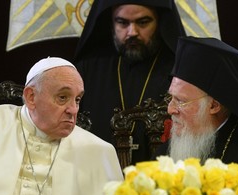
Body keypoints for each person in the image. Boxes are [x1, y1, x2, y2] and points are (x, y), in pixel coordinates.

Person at [154, 36, 238, 195]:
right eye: (170, 98)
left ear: (214, 105)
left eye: (180, 101)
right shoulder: (170, 149)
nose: (170, 109)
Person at [0, 57, 123, 195]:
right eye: (62, 97)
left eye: (77, 99)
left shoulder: (99, 151)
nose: (73, 110)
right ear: (31, 97)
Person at [73, 0, 186, 164]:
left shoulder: (179, 70)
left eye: (143, 22)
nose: (132, 32)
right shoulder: (88, 69)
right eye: (122, 22)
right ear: (111, 23)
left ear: (159, 21)